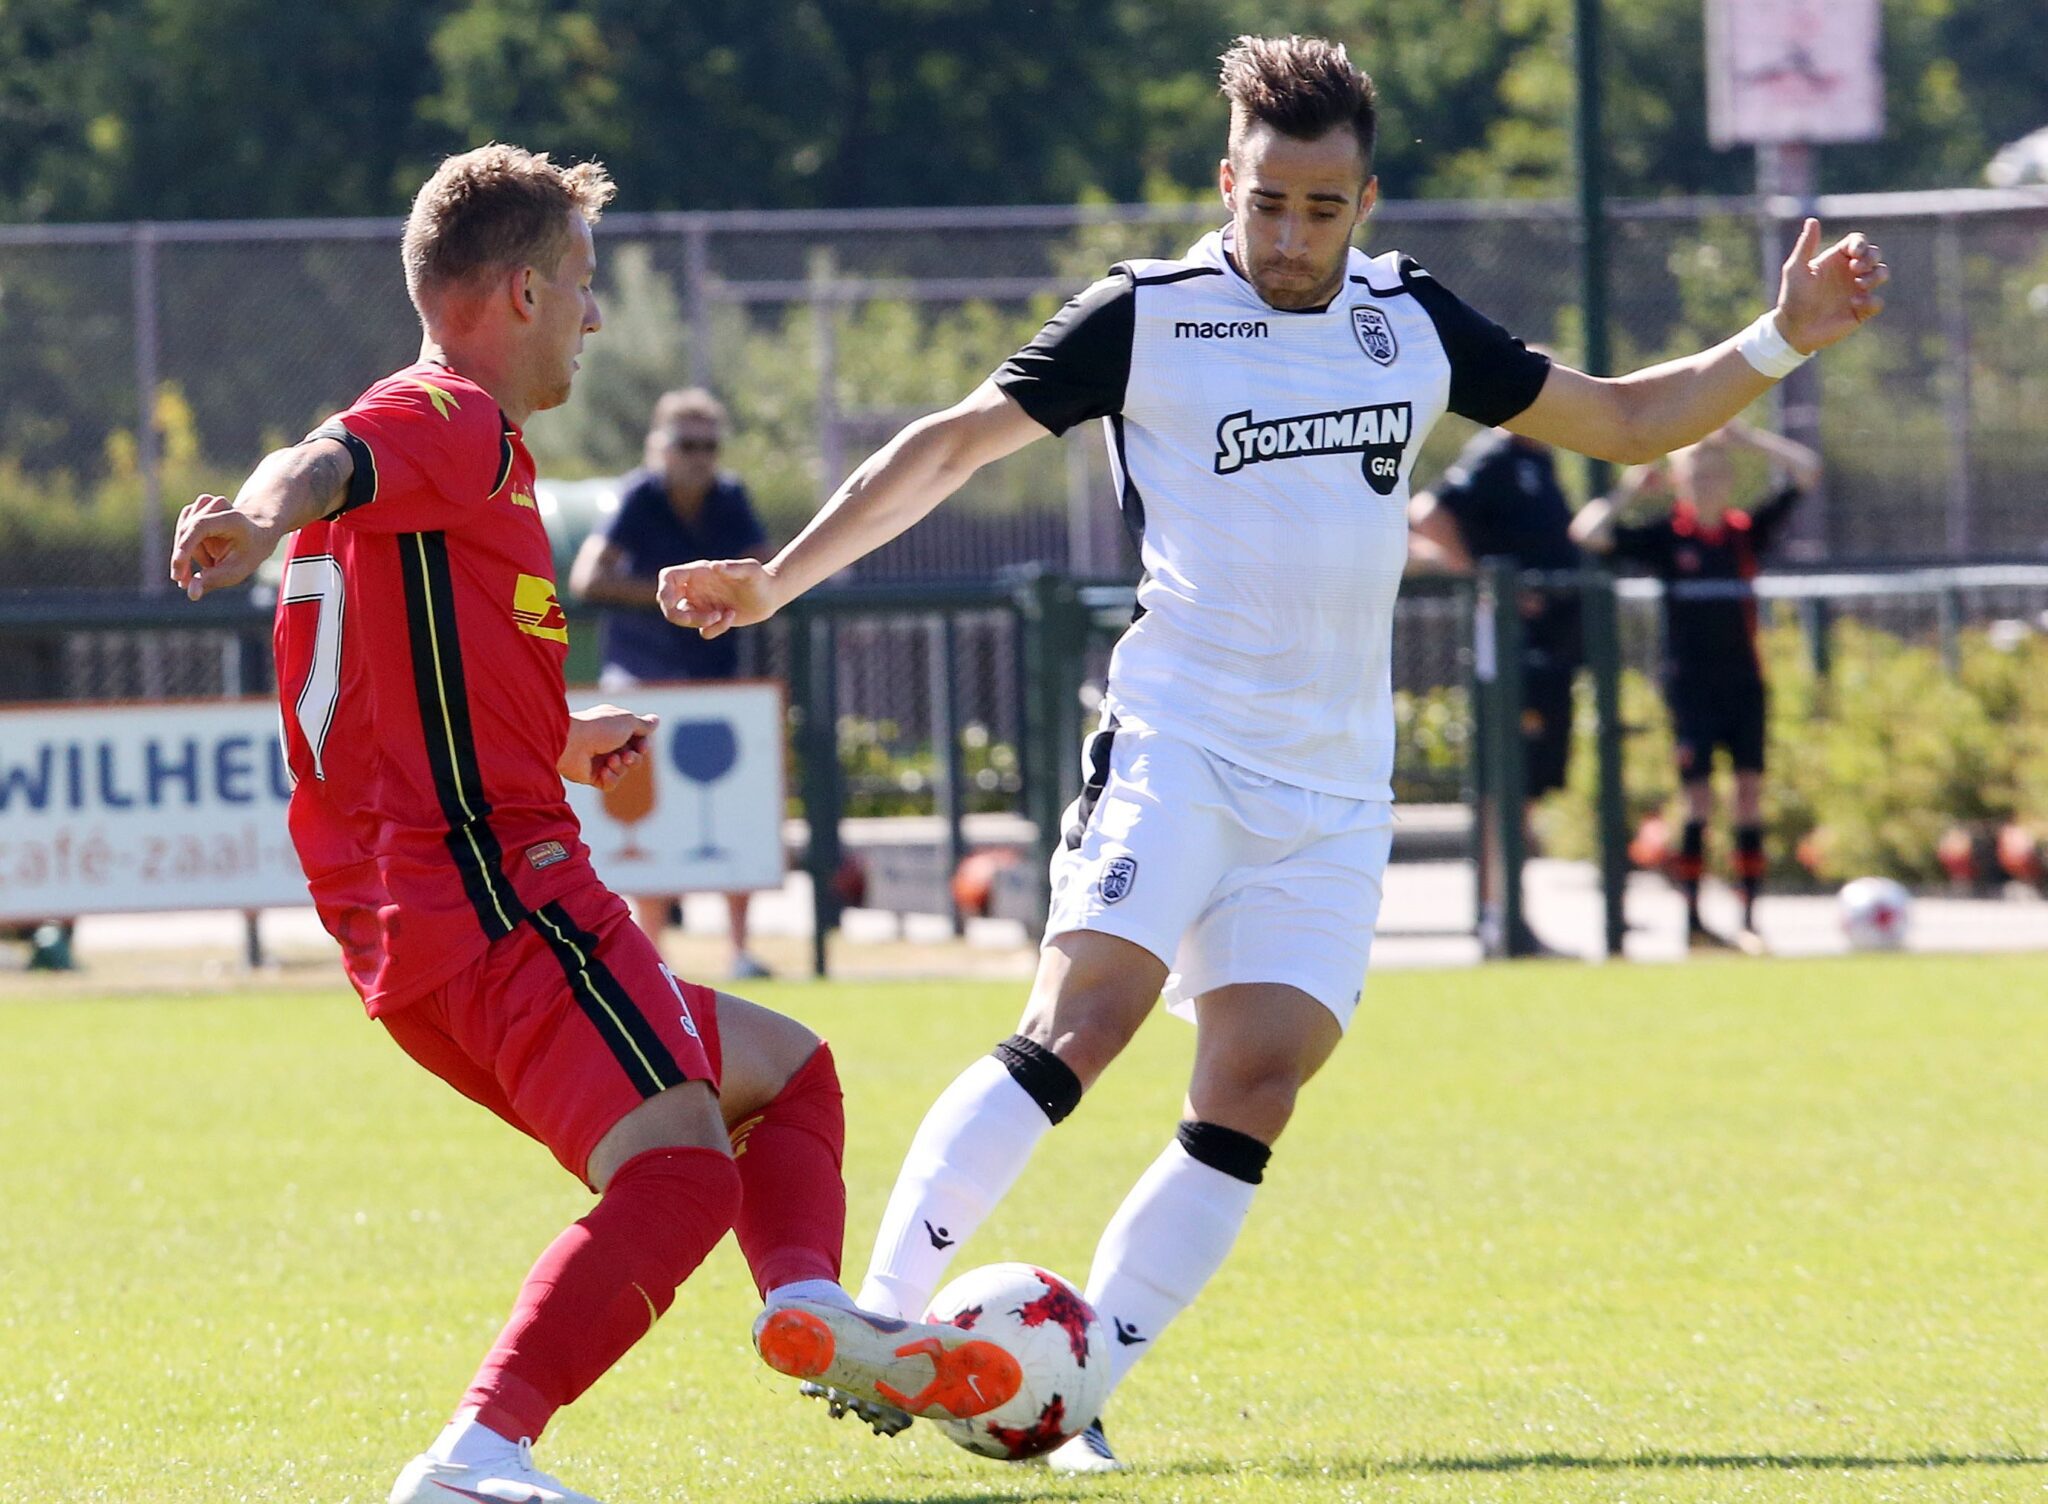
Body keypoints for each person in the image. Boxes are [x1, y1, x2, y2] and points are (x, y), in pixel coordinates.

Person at [658, 34, 1885, 1474]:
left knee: (1254, 1083)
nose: (1293, 237)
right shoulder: (1145, 314)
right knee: (1085, 1022)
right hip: (1178, 741)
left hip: (1334, 788)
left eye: (1323, 207)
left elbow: (1623, 422)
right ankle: (875, 1319)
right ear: (1225, 183)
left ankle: (1072, 1392)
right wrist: (775, 580)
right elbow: (946, 446)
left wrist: (1780, 336)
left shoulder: (1409, 319)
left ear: (1365, 201)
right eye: (1269, 203)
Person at [167, 144, 1020, 1504]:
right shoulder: (450, 416)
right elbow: (315, 461)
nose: (595, 311)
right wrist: (257, 516)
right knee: (679, 1174)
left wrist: (555, 735)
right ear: (519, 293)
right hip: (499, 898)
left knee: (784, 1073)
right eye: (580, 280)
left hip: (429, 923)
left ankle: (813, 1313)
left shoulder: (449, 466)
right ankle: (477, 1455)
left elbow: (401, 678)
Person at [1570, 419, 1822, 954]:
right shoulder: (1668, 538)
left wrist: (1748, 438)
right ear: (1679, 481)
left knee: (1749, 798)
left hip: (1745, 685)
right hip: (1690, 689)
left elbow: (1807, 471)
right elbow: (1588, 533)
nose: (1707, 482)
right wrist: (1629, 488)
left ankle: (1749, 919)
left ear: (1728, 478)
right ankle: (1693, 922)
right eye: (1696, 473)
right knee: (1698, 802)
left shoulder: (1743, 533)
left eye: (1714, 471)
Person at [568, 387, 773, 979]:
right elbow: (587, 578)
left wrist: (720, 590)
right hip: (642, 685)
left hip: (714, 682)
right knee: (649, 822)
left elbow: (769, 569)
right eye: (686, 444)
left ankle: (740, 952)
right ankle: (655, 958)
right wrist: (674, 594)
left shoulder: (730, 497)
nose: (698, 457)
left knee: (735, 814)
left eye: (709, 446)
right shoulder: (638, 496)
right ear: (658, 446)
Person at [1408, 425, 1582, 956]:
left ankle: (1512, 917)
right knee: (1502, 787)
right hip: (1510, 654)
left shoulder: (1541, 460)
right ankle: (1498, 919)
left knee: (1524, 790)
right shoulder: (1495, 456)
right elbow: (1427, 512)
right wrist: (1482, 578)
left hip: (1547, 654)